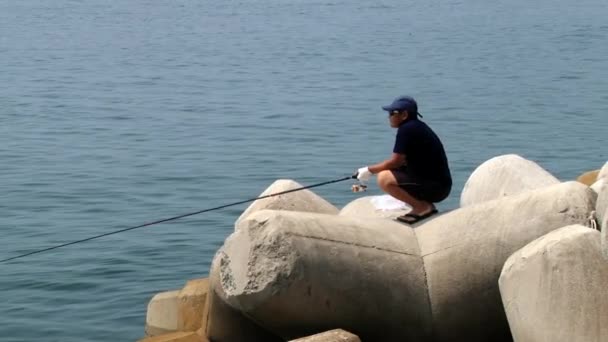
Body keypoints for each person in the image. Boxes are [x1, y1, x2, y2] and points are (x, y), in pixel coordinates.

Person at [355, 96, 452, 224]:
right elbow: (401, 162)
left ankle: (421, 207)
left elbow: (396, 161)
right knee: (388, 172)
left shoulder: (407, 129)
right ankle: (424, 205)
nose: (389, 116)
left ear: (404, 115)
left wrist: (369, 170)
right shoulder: (416, 127)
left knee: (384, 178)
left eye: (392, 113)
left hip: (435, 187)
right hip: (439, 185)